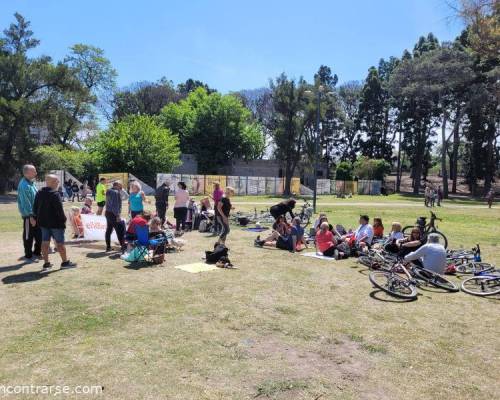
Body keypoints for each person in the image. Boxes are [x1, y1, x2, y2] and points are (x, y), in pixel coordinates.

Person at [33, 174, 77, 271]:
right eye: (57, 181)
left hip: (43, 223)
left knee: (45, 243)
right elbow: (59, 211)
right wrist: (64, 221)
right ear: (53, 182)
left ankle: (46, 264)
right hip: (56, 224)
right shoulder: (55, 194)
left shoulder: (39, 193)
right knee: (60, 243)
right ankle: (65, 262)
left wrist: (37, 218)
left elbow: (35, 208)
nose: (58, 183)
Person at [17, 164, 42, 261]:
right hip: (29, 216)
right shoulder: (24, 185)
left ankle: (37, 252)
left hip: (36, 214)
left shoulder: (31, 183)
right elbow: (26, 202)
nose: (36, 173)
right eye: (34, 171)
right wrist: (31, 216)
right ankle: (28, 255)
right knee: (28, 236)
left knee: (39, 235)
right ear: (27, 173)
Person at [105, 181, 126, 252]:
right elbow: (115, 205)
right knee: (119, 230)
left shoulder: (108, 190)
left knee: (109, 230)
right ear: (117, 186)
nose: (121, 188)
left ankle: (108, 247)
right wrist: (117, 215)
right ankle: (123, 247)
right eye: (120, 186)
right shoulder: (116, 192)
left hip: (108, 212)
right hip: (113, 214)